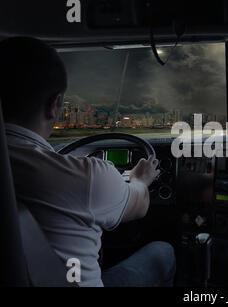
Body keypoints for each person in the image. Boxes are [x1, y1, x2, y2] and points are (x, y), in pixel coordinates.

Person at [0, 37, 175, 287]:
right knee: (162, 252)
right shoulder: (88, 175)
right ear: (55, 105)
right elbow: (140, 204)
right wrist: (139, 179)